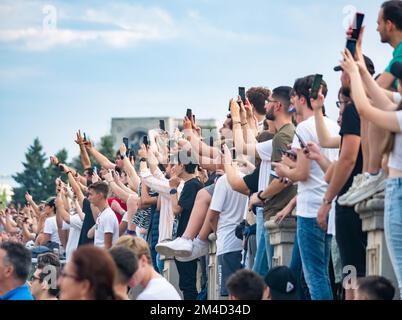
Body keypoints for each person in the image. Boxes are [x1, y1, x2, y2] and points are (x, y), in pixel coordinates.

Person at [341, 48, 402, 299]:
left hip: (398, 191)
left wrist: (355, 74)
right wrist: (361, 70)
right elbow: (378, 97)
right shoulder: (398, 107)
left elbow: (366, 109)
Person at [114, 235, 181, 300]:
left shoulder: (149, 295)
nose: (125, 275)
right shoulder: (161, 285)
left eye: (129, 267)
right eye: (121, 271)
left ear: (143, 260)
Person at [87, 182, 119, 249]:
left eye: (91, 195)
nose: (88, 198)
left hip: (103, 258)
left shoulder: (108, 216)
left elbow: (107, 246)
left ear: (100, 195)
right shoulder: (102, 214)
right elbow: (89, 235)